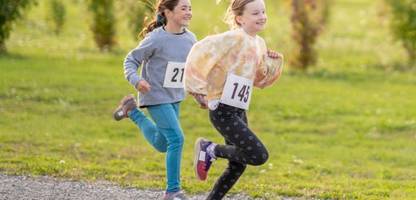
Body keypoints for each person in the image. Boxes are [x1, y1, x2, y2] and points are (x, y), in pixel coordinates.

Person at [184, 0, 283, 199]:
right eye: (255, 13)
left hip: (238, 109)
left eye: (263, 12)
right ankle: (209, 148)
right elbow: (200, 50)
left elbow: (258, 79)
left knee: (238, 164)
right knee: (258, 155)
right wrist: (197, 89)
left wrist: (272, 62)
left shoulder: (259, 43)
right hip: (222, 109)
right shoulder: (232, 38)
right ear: (240, 18)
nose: (262, 16)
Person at [112, 0, 196, 199]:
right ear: (167, 12)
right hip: (155, 95)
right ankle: (173, 191)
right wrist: (137, 79)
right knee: (177, 139)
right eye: (183, 8)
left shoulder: (191, 39)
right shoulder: (156, 39)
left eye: (190, 8)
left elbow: (194, 70)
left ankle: (131, 111)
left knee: (162, 144)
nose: (189, 12)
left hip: (175, 96)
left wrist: (200, 94)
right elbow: (130, 60)